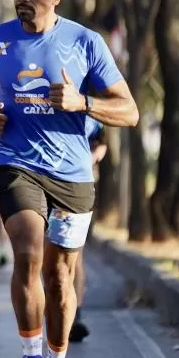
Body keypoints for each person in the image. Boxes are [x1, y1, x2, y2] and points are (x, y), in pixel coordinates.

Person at [0, 0, 139, 358]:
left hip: (72, 174)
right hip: (15, 163)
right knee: (27, 249)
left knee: (60, 276)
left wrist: (83, 102)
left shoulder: (85, 42)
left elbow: (130, 111)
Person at [70, 118, 108, 342]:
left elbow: (102, 142)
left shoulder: (89, 113)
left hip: (78, 187)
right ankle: (53, 309)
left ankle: (75, 314)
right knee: (46, 258)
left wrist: (91, 159)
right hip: (40, 185)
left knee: (75, 256)